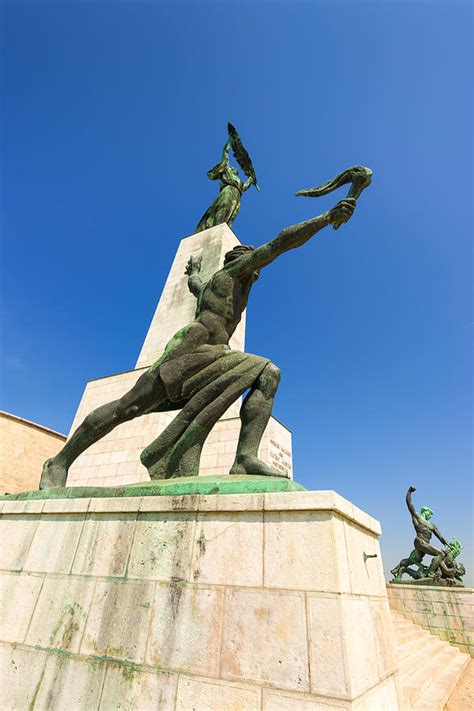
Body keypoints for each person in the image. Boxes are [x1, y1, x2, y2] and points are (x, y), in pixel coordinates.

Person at [40, 197, 356, 489]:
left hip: (213, 355)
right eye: (254, 263)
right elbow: (279, 243)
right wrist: (326, 217)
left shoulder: (215, 287)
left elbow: (196, 285)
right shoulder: (234, 272)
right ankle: (60, 461)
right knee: (128, 407)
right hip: (189, 351)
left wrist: (192, 273)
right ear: (241, 260)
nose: (258, 270)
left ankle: (245, 459)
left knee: (268, 373)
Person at [195, 139, 255, 232]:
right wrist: (229, 144)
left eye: (235, 169)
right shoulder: (227, 171)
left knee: (233, 213)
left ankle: (225, 226)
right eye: (232, 168)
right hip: (228, 190)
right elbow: (225, 155)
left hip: (237, 195)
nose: (234, 169)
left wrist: (251, 178)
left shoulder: (239, 181)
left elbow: (244, 187)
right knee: (224, 206)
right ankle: (217, 226)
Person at [390, 486, 449, 580]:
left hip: (425, 545)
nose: (430, 516)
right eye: (429, 514)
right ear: (425, 511)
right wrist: (409, 492)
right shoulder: (417, 518)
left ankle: (398, 571)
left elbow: (440, 536)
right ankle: (430, 573)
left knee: (413, 560)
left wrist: (447, 544)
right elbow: (409, 504)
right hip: (419, 542)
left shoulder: (432, 525)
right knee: (440, 554)